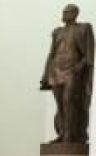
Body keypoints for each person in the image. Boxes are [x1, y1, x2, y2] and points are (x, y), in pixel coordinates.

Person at [40, 3, 94, 144]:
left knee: (68, 100)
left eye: (67, 12)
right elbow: (52, 53)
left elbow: (88, 54)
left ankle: (70, 135)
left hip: (72, 71)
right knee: (60, 104)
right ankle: (63, 133)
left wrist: (79, 66)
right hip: (56, 71)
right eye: (64, 12)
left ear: (75, 13)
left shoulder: (84, 28)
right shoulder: (57, 32)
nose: (64, 14)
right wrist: (45, 73)